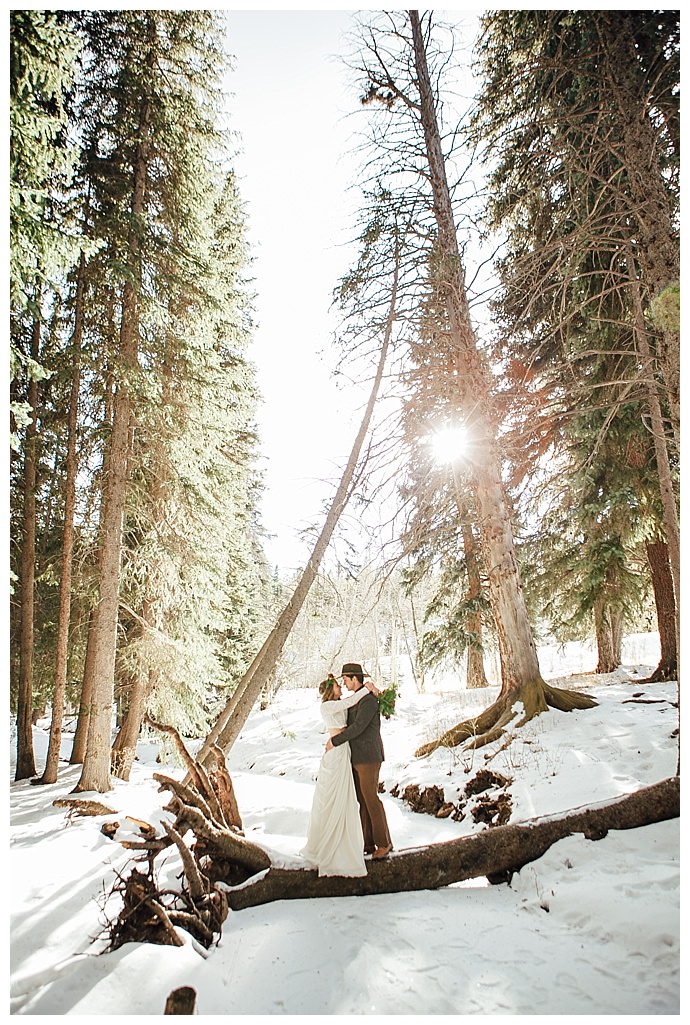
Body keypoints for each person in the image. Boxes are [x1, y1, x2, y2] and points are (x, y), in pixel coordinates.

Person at [301, 673, 378, 877]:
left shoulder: (339, 703)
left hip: (345, 751)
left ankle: (349, 842)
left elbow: (354, 707)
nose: (341, 687)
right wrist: (367, 687)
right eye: (337, 685)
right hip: (336, 752)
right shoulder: (327, 706)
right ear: (329, 690)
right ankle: (331, 847)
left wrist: (373, 693)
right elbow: (354, 700)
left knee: (346, 799)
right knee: (334, 798)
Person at [326, 662, 393, 860]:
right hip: (356, 757)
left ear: (355, 679)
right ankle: (368, 843)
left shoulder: (368, 701)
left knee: (371, 798)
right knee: (361, 800)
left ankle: (384, 843)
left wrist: (335, 741)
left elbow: (358, 728)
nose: (344, 684)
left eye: (346, 680)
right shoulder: (357, 698)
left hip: (368, 757)